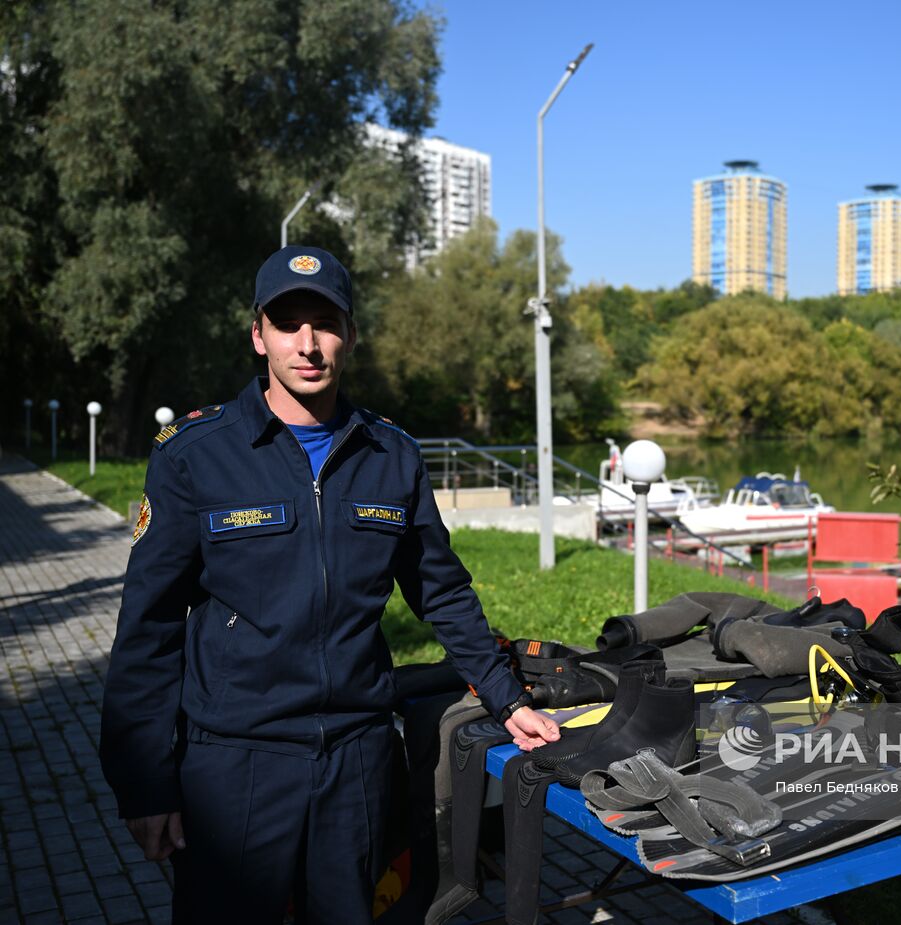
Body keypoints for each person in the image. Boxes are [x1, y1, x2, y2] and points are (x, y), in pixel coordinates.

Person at [99, 245, 559, 924]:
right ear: (259, 335)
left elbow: (441, 590)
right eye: (288, 323)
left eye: (327, 322)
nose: (308, 343)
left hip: (359, 759)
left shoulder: (391, 455)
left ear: (351, 335)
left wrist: (505, 694)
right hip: (235, 765)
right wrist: (144, 783)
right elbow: (149, 626)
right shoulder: (195, 455)